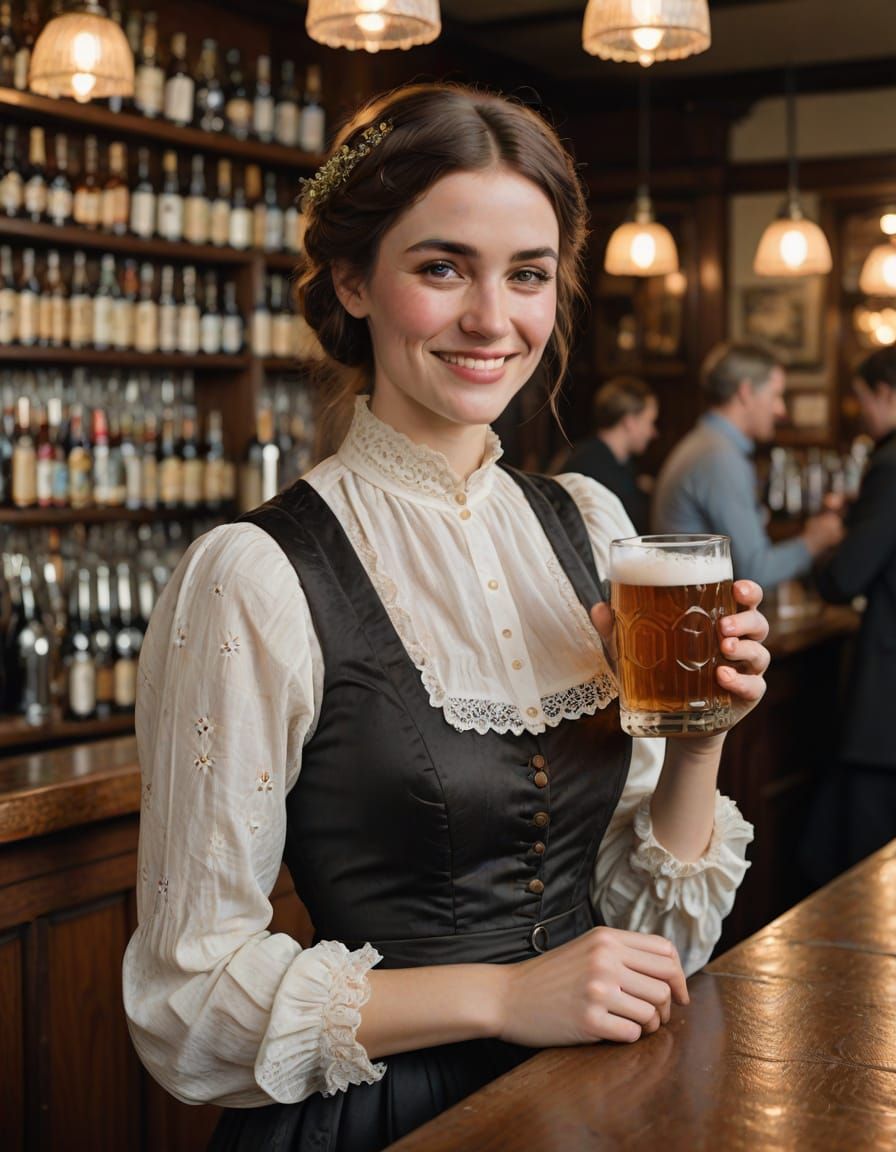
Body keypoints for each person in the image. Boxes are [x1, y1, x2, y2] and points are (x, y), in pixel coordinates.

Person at [123, 83, 771, 1152]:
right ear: (352, 281)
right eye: (441, 267)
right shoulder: (253, 573)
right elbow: (188, 999)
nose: (490, 319)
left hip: (589, 1099)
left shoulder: (587, 524)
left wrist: (693, 744)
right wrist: (504, 999)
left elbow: (656, 936)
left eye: (525, 275)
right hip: (378, 1117)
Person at [652, 342, 843, 587]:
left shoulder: (708, 444)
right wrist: (814, 541)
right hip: (694, 613)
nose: (781, 409)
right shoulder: (719, 458)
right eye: (776, 396)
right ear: (746, 393)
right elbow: (754, 572)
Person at [813, 349, 896, 867]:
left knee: (863, 868)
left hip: (886, 709)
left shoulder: (890, 464)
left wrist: (828, 543)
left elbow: (844, 578)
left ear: (885, 392)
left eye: (863, 399)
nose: (861, 413)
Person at [560, 376, 658, 532]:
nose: (653, 432)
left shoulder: (610, 460)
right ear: (630, 422)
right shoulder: (590, 467)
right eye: (650, 422)